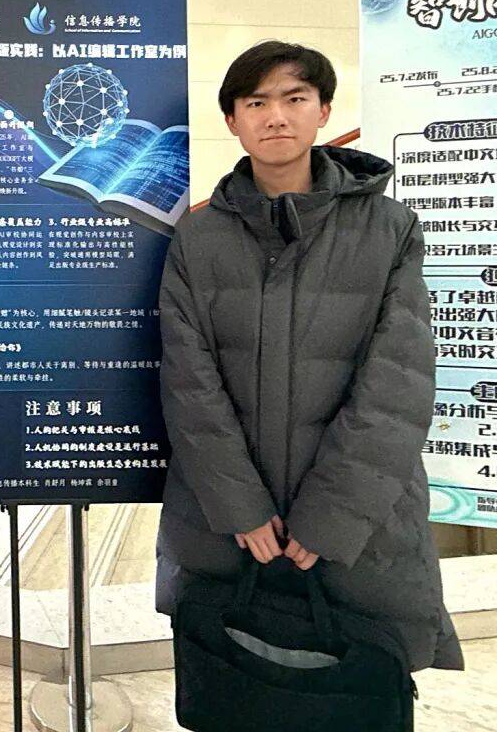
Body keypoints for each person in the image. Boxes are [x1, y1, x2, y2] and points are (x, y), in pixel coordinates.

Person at [155, 41, 463, 673]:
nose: (276, 117)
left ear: (323, 111)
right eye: (256, 102)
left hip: (361, 522)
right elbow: (188, 381)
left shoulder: (390, 228)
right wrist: (239, 506)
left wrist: (333, 515)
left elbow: (398, 383)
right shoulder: (198, 236)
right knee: (236, 680)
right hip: (225, 523)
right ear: (232, 120)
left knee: (355, 688)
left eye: (295, 98)